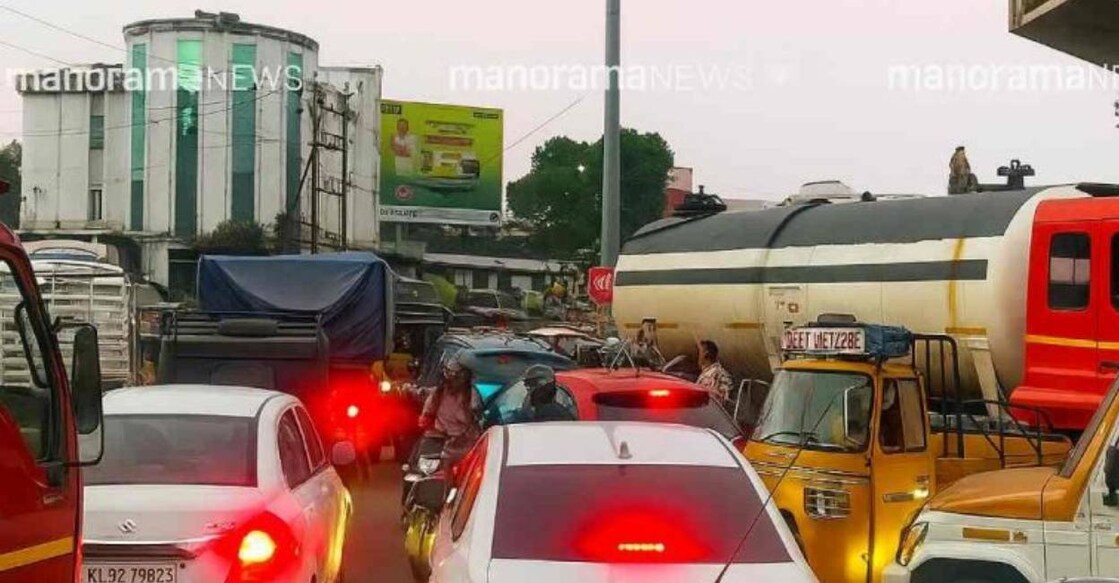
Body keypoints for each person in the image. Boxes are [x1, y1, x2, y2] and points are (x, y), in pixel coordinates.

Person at [418, 357, 481, 441]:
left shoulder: (472, 395)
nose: (453, 382)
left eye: (457, 378)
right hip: (436, 438)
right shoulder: (438, 393)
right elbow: (426, 414)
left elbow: (476, 420)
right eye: (450, 377)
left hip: (461, 442)